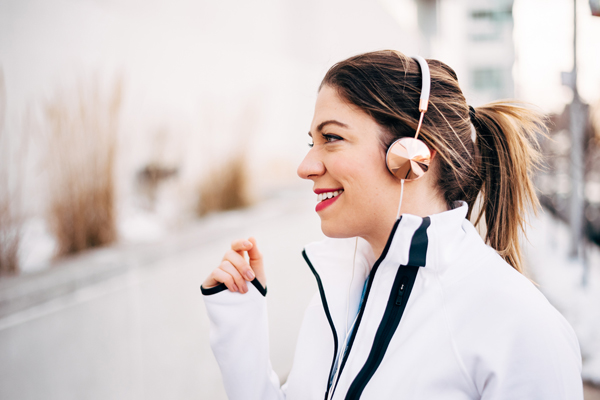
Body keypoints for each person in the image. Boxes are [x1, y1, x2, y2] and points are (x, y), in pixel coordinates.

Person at [201, 50, 583, 400]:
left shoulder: (519, 325)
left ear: (412, 154)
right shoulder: (340, 289)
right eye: (311, 142)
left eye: (331, 138)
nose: (306, 167)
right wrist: (241, 327)